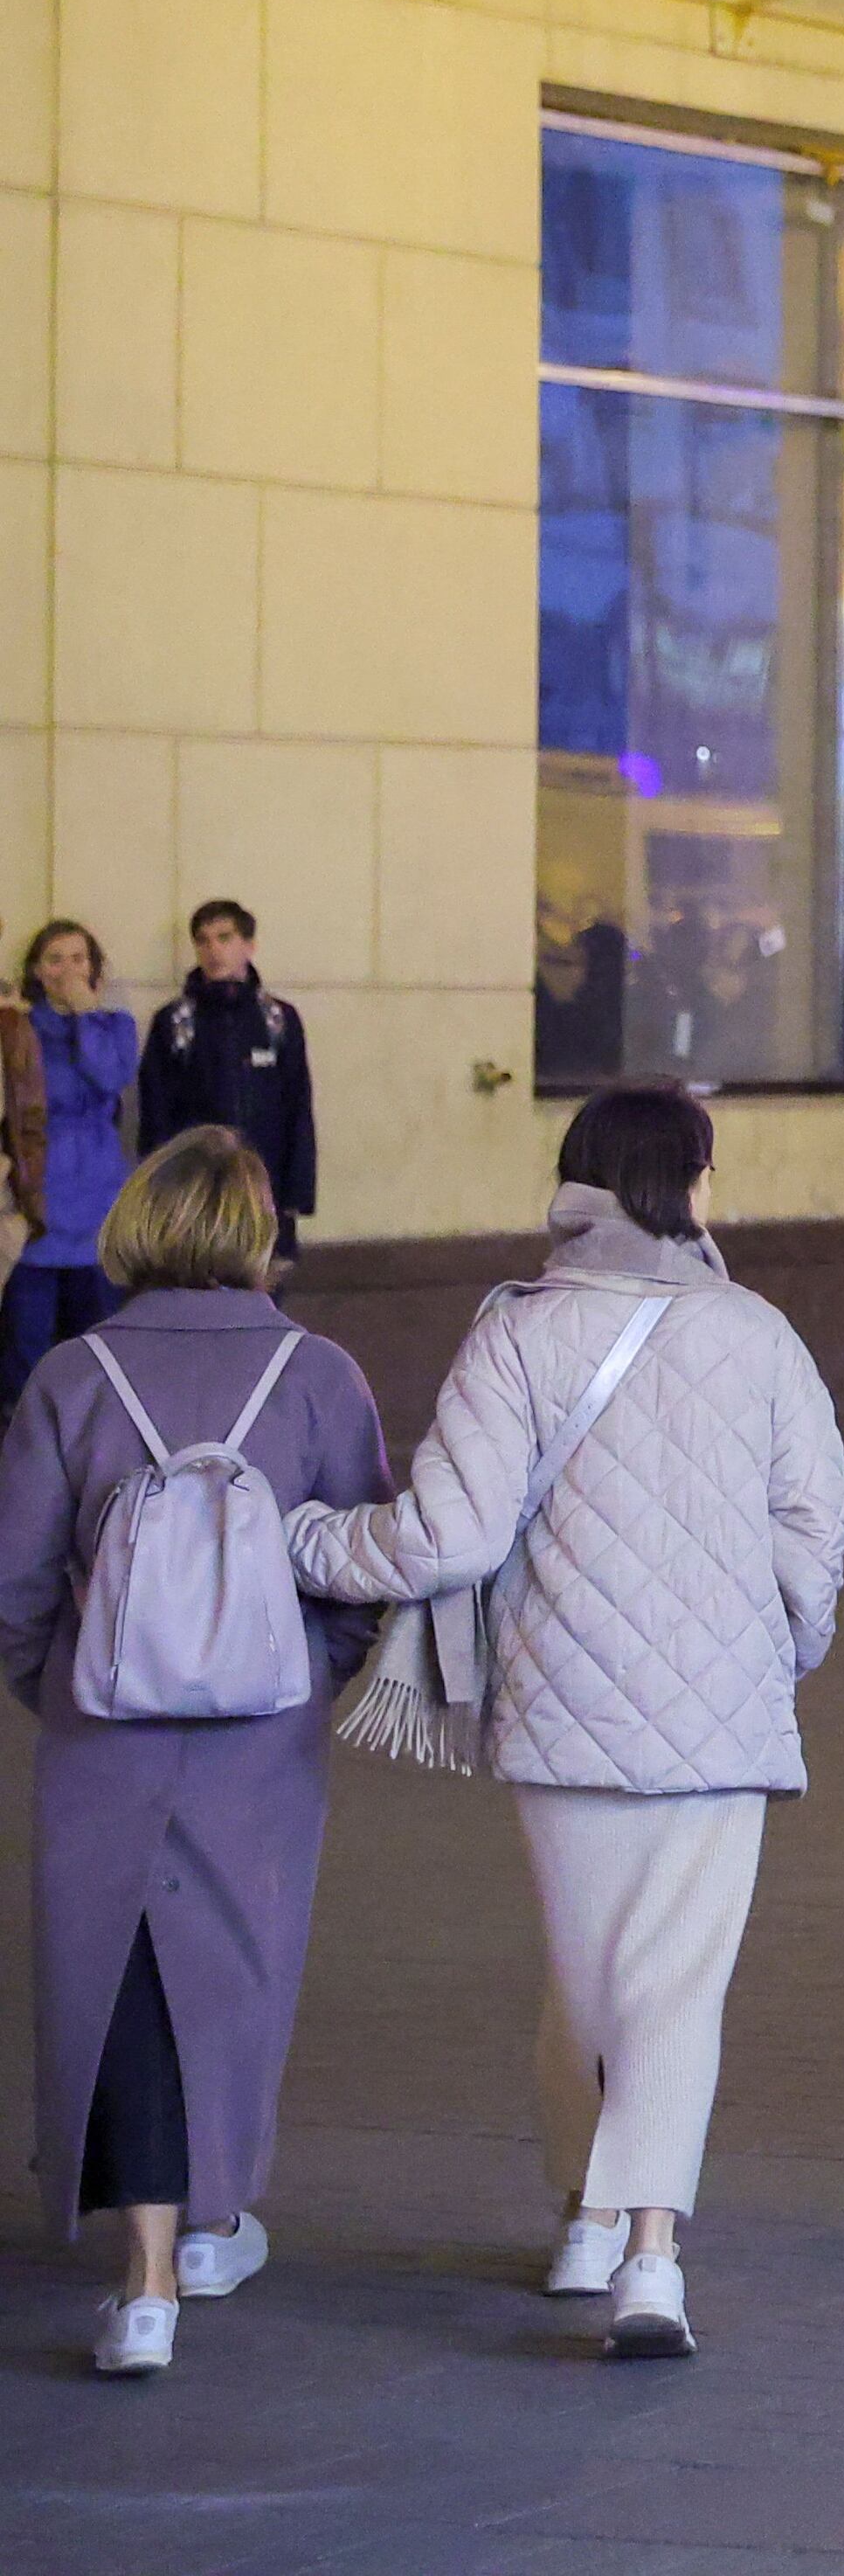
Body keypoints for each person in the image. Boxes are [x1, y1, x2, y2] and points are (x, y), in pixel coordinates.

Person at [287, 1084, 844, 2363]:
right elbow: (818, 1521)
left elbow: (452, 1535)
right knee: (669, 1987)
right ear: (689, 1184)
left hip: (560, 1713)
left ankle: (587, 2217)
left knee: (591, 1976)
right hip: (721, 1722)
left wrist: (310, 1541)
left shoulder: (518, 1333)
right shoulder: (759, 1333)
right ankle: (647, 2257)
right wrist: (784, 1647)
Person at [0, 1130, 385, 2377]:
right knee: (234, 1968)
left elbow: (12, 1582)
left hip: (102, 1728)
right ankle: (209, 2226)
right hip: (259, 1737)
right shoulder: (321, 1374)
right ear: (256, 1231)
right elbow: (361, 1567)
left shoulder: (71, 1374)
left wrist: (58, 1689)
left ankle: (144, 2281)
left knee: (110, 1975)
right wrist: (309, 1678)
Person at [137, 903, 311, 1262]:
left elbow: (297, 1106)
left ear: (249, 945)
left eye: (224, 938)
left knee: (262, 1298)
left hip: (264, 1188)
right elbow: (155, 1111)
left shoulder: (278, 1020)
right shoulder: (175, 1022)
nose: (213, 950)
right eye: (203, 941)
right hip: (195, 1193)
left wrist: (297, 1194)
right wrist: (158, 1190)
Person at [7, 921, 114, 1407]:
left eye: (78, 959)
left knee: (93, 1340)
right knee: (26, 1341)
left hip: (96, 1189)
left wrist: (87, 1018)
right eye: (55, 960)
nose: (68, 970)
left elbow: (108, 1076)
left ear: (94, 967)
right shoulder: (18, 1027)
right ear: (35, 970)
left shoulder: (115, 1025)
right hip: (35, 1191)